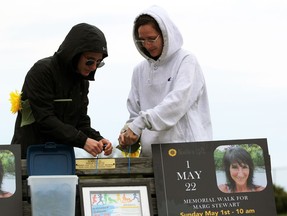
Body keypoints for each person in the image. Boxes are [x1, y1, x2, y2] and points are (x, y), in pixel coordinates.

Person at [118, 5, 212, 156]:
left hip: (188, 151)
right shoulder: (139, 70)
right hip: (152, 156)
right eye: (141, 40)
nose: (147, 45)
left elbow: (177, 102)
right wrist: (128, 132)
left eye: (151, 39)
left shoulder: (186, 61)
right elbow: (135, 114)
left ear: (165, 34)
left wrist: (139, 123)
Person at [11, 23, 113, 159]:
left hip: (61, 157)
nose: (93, 67)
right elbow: (45, 119)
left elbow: (81, 122)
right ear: (74, 54)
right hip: (29, 156)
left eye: (98, 62)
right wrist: (82, 141)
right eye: (90, 61)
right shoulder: (42, 71)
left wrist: (98, 139)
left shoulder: (82, 82)